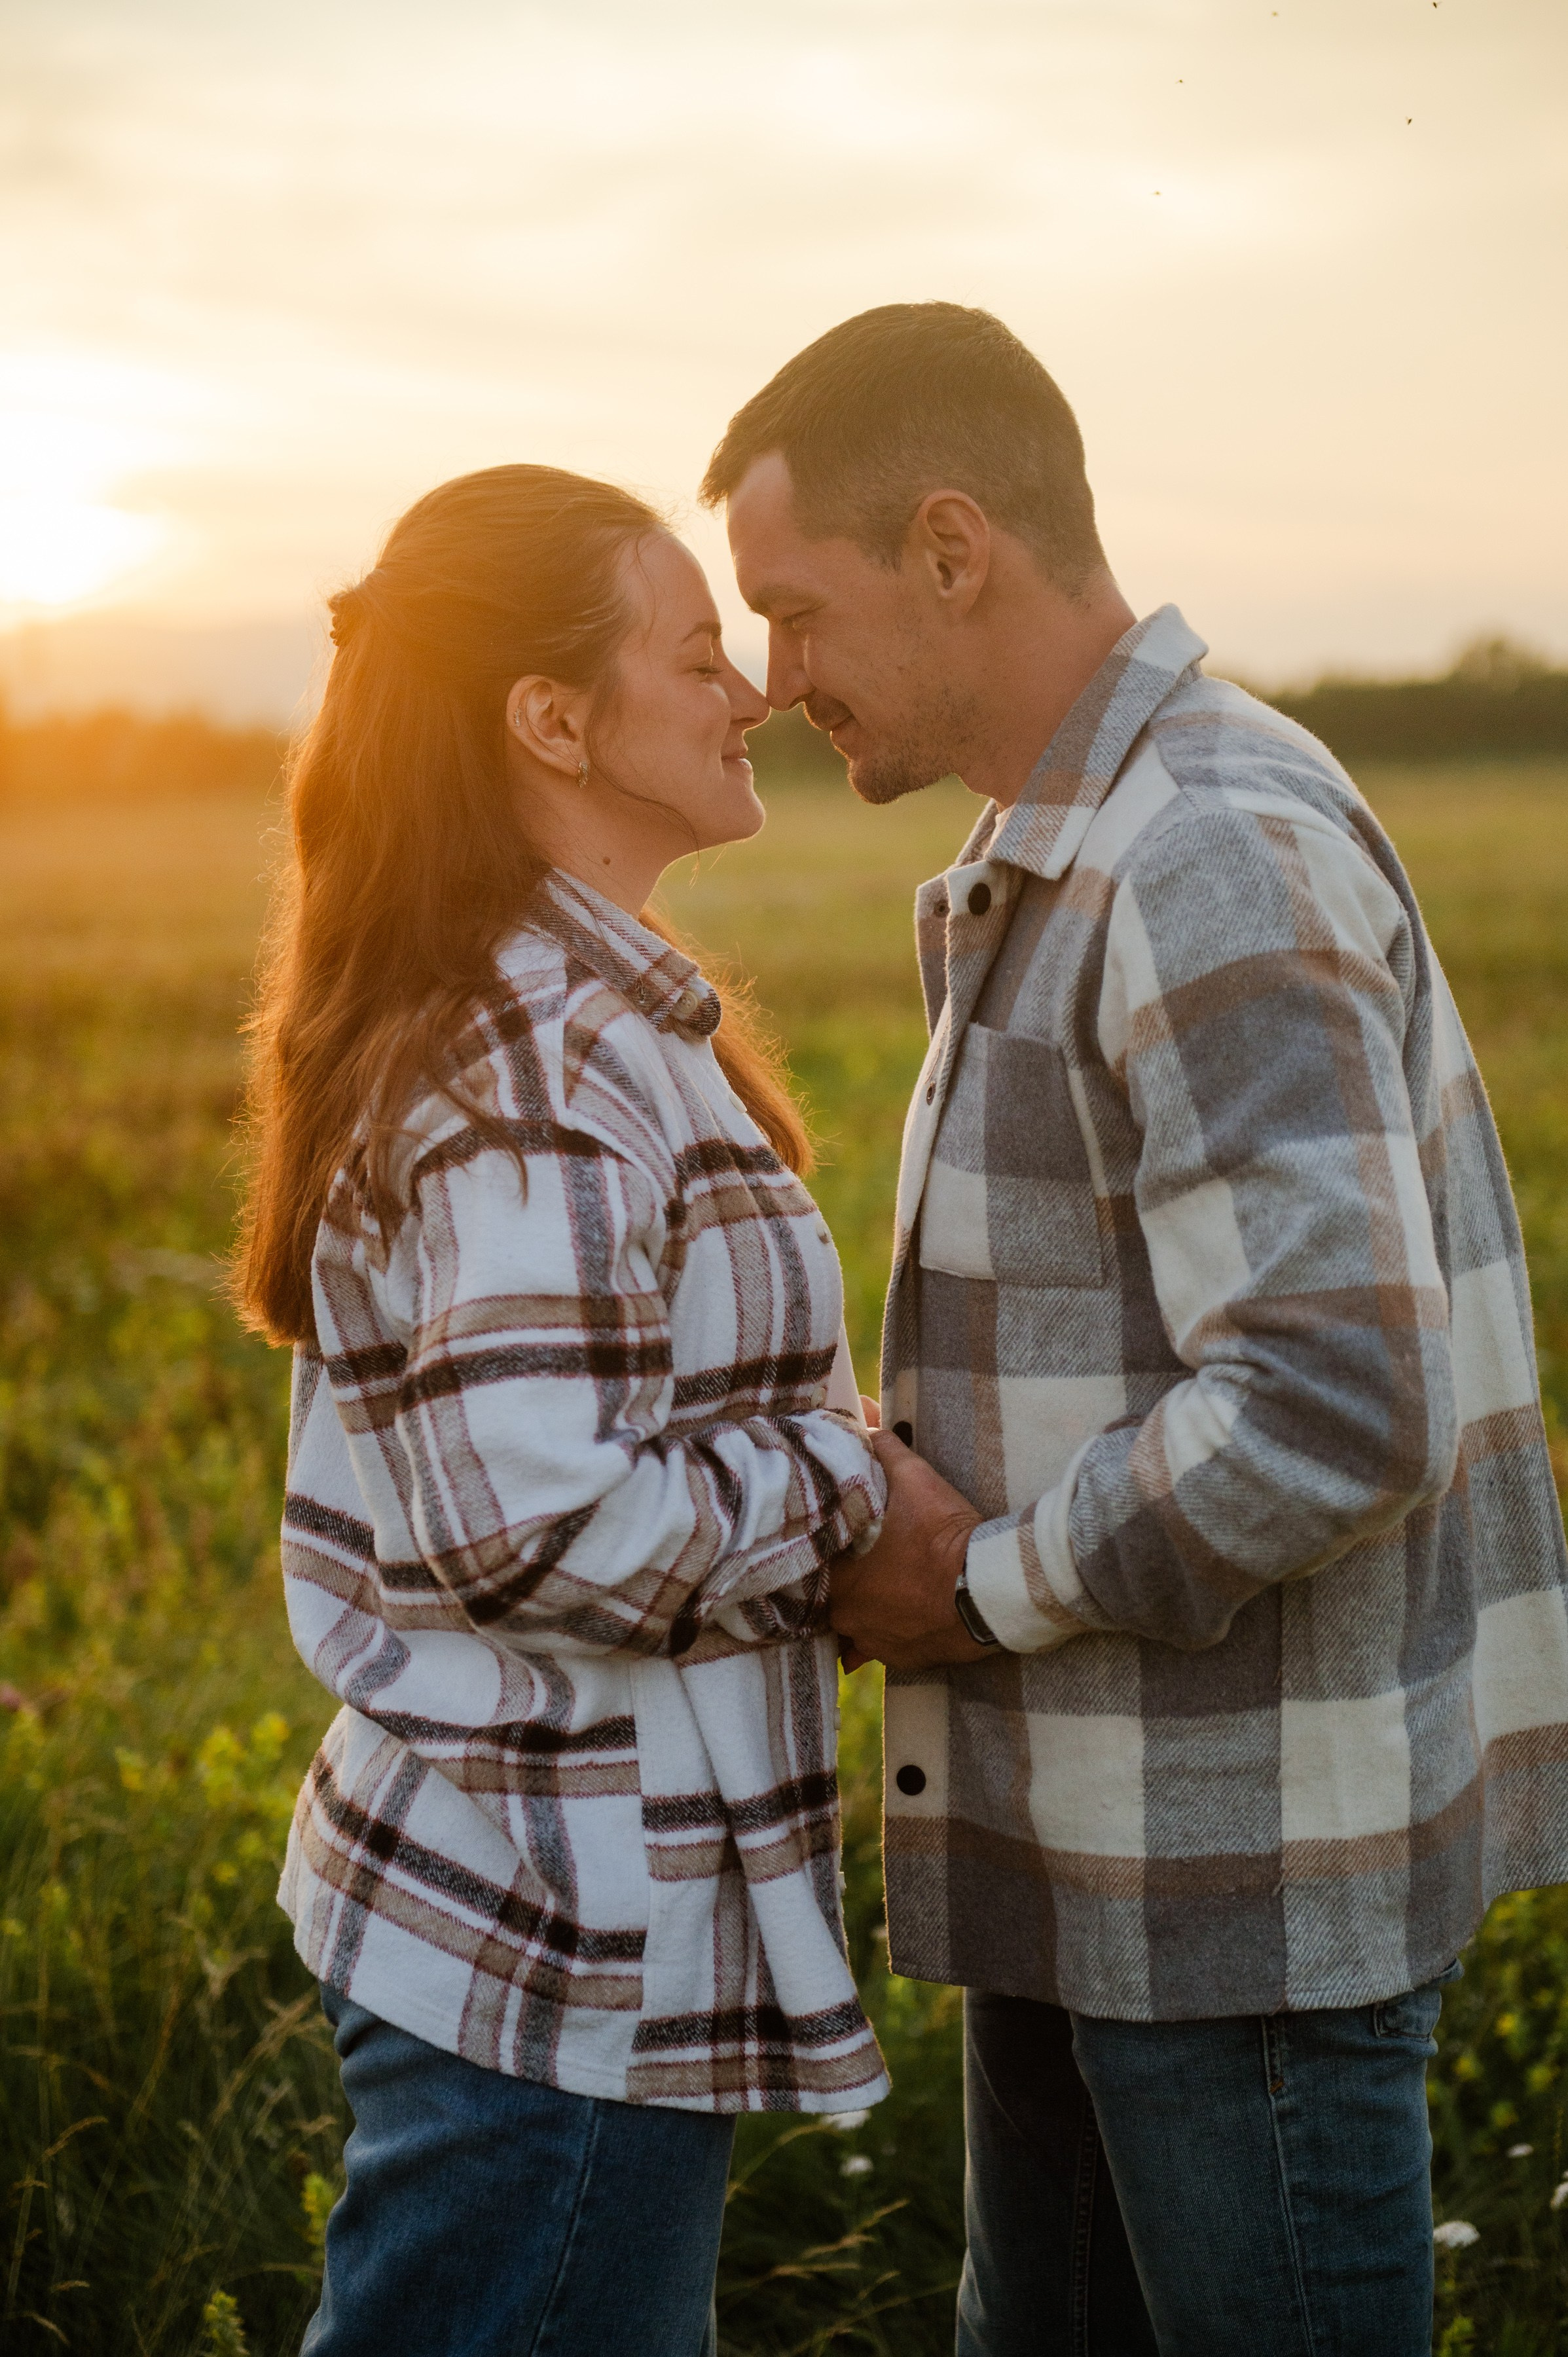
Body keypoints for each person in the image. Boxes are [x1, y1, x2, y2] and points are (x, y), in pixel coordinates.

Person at [704, 302, 1568, 2356]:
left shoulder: (1202, 849)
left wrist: (974, 1583)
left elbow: (1332, 1403)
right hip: (1101, 1854)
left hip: (1229, 1900)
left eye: (791, 609)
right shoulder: (1072, 832)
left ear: (948, 547)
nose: (770, 680)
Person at [236, 464, 890, 2357]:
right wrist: (852, 1491)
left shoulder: (569, 1021)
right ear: (550, 717)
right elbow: (539, 1524)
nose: (746, 688)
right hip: (559, 1954)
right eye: (695, 655)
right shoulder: (525, 1065)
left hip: (551, 1920)